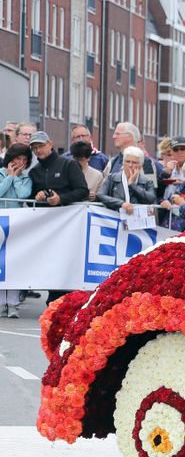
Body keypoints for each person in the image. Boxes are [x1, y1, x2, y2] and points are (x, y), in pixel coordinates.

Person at [0, 145, 32, 318]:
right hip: (1, 220)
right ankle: (0, 302)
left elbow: (23, 195)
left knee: (13, 261)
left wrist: (16, 178)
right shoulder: (0, 173)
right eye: (18, 158)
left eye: (24, 160)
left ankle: (13, 303)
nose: (20, 162)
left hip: (16, 222)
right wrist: (9, 177)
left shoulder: (27, 178)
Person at [29, 132, 88, 207]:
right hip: (45, 216)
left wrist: (60, 199)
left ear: (50, 144)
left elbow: (83, 191)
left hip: (69, 214)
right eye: (34, 148)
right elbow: (30, 200)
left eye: (41, 146)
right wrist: (38, 197)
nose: (38, 150)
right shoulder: (34, 171)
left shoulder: (69, 164)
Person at [97, 146, 157, 215]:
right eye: (127, 161)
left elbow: (151, 199)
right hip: (116, 218)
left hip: (138, 220)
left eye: (134, 163)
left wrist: (132, 185)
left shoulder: (147, 182)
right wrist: (121, 203)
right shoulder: (112, 178)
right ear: (123, 162)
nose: (130, 165)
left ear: (140, 165)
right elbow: (100, 195)